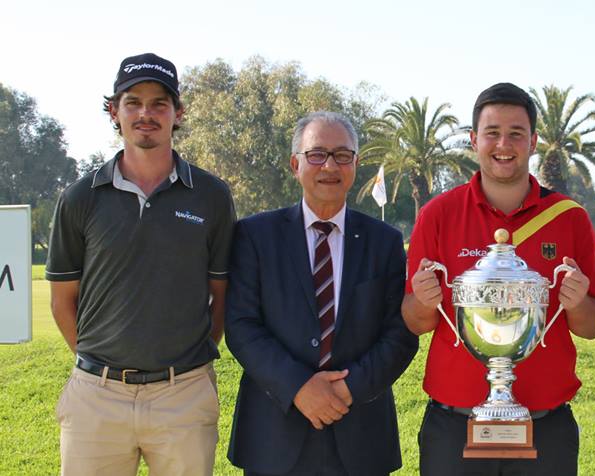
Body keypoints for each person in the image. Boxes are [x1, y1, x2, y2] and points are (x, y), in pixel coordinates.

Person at [45, 53, 235, 475]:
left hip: (182, 395)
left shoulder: (211, 195)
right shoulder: (80, 197)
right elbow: (62, 301)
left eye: (159, 103)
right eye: (133, 102)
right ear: (114, 110)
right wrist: (101, 370)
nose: (145, 113)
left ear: (178, 112)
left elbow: (220, 295)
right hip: (96, 397)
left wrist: (192, 364)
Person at [402, 82, 595, 476]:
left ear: (533, 141)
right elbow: (415, 321)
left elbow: (591, 327)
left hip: (545, 427)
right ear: (474, 139)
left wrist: (579, 300)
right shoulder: (438, 214)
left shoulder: (569, 218)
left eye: (516, 133)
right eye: (492, 133)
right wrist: (423, 300)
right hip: (454, 427)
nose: (503, 144)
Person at [224, 111, 418, 476]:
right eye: (317, 154)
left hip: (360, 433)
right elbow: (241, 325)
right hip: (275, 434)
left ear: (356, 165)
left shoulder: (385, 242)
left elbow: (400, 333)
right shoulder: (255, 236)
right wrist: (298, 386)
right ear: (295, 164)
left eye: (342, 155)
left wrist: (347, 390)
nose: (330, 165)